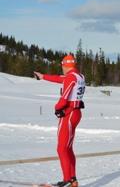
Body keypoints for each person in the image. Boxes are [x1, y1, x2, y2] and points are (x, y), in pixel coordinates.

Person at [34, 54, 85, 187]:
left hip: (68, 114)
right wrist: (43, 76)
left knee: (61, 149)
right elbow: (59, 79)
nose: (61, 68)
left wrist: (57, 108)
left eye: (62, 65)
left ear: (65, 65)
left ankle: (67, 180)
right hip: (76, 113)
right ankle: (73, 180)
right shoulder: (79, 76)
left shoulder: (70, 77)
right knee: (68, 148)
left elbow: (64, 97)